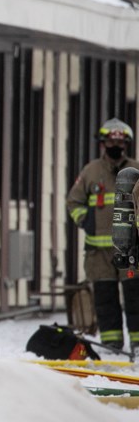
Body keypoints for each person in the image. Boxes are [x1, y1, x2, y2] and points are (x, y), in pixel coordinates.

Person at [66, 117, 139, 351]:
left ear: (126, 144)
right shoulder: (91, 172)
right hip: (99, 252)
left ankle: (138, 343)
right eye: (111, 141)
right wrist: (84, 219)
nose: (115, 145)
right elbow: (73, 201)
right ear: (102, 143)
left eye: (120, 141)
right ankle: (112, 342)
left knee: (135, 297)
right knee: (105, 299)